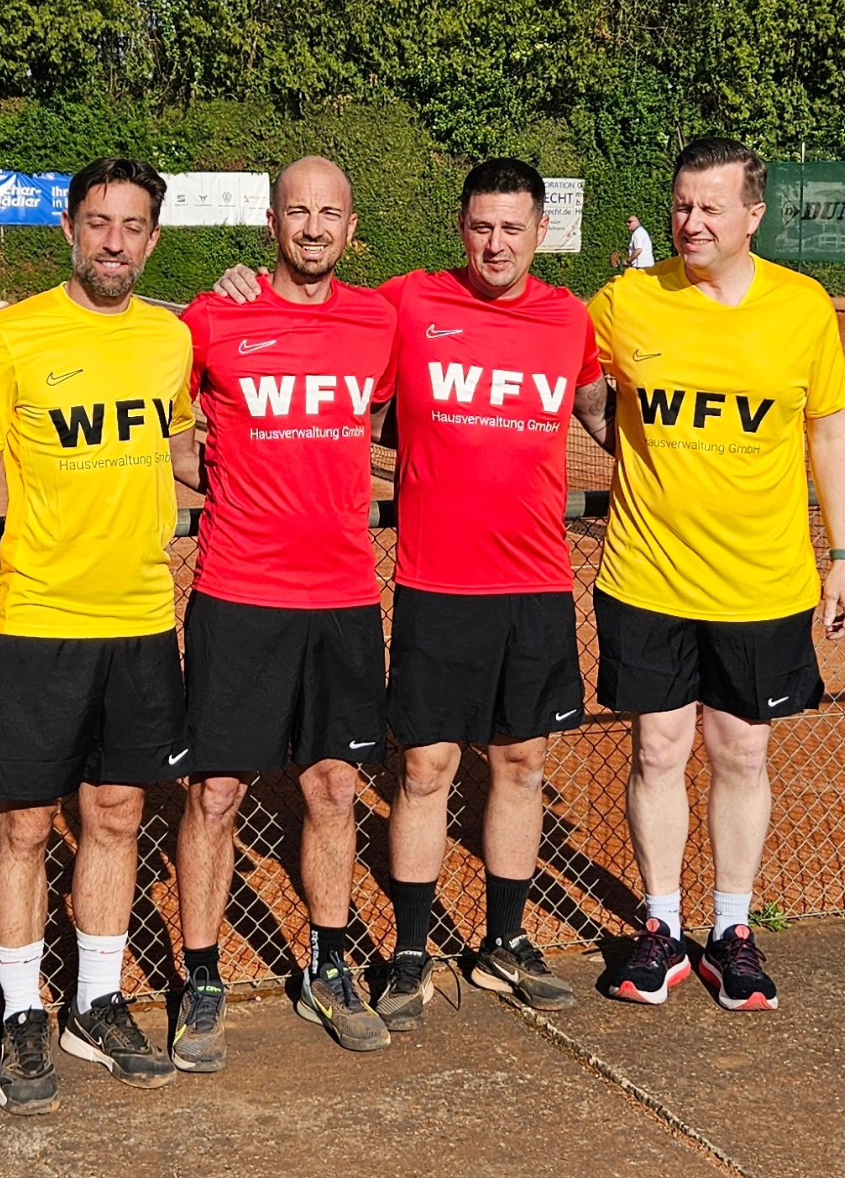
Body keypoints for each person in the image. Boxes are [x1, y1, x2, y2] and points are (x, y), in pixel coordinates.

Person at [207, 158, 611, 1032]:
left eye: (513, 227)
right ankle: (411, 952)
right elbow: (312, 315)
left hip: (538, 581)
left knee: (521, 764)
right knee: (424, 770)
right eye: (480, 226)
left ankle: (504, 943)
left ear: (542, 232)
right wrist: (235, 285)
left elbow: (607, 418)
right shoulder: (407, 304)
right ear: (459, 229)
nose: (495, 243)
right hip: (436, 580)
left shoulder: (571, 319)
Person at [0, 157, 200, 1115]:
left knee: (119, 813)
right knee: (24, 823)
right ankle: (18, 1016)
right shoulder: (12, 338)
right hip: (37, 621)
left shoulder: (172, 342)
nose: (114, 241)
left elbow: (184, 448)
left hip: (139, 619)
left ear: (153, 238)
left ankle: (95, 999)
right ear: (71, 230)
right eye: (98, 223)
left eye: (132, 226)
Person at [589, 137, 845, 1013]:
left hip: (763, 584)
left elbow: (829, 434)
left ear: (754, 215)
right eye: (681, 204)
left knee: (741, 750)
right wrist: (619, 439)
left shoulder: (802, 307)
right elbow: (577, 378)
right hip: (646, 576)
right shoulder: (628, 300)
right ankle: (661, 928)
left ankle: (732, 930)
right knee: (658, 748)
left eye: (711, 207)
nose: (691, 221)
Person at [170, 156, 398, 1072]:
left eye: (329, 214)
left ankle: (328, 967)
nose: (312, 228)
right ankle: (202, 981)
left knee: (333, 787)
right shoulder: (213, 315)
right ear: (272, 222)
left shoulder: (380, 319)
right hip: (237, 595)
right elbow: (169, 432)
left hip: (343, 598)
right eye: (297, 212)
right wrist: (237, 485)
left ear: (351, 228)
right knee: (216, 793)